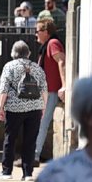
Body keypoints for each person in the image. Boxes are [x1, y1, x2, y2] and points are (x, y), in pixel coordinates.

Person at [0, 40, 47, 181]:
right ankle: (28, 173)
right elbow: (44, 90)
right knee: (30, 141)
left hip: (14, 108)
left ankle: (7, 172)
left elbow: (4, 89)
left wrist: (0, 107)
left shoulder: (9, 66)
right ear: (28, 53)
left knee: (10, 139)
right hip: (35, 107)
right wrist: (43, 107)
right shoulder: (37, 68)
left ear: (13, 53)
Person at [32, 17, 66, 165]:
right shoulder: (49, 44)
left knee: (42, 122)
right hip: (46, 90)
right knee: (40, 121)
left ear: (46, 32)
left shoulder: (52, 43)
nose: (35, 34)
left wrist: (64, 85)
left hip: (52, 90)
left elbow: (62, 61)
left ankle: (34, 156)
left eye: (37, 31)